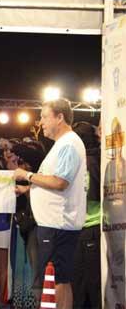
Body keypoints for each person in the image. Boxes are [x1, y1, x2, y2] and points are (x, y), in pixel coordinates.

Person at [13, 98, 86, 309]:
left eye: (45, 117)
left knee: (58, 279)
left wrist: (27, 175)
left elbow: (60, 182)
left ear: (60, 117)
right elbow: (52, 181)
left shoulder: (69, 144)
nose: (41, 122)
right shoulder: (62, 145)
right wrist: (28, 189)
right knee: (59, 278)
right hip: (54, 223)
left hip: (59, 224)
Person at [71, 121, 101, 309]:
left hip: (89, 227)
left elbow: (90, 193)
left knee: (86, 284)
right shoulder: (93, 159)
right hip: (87, 228)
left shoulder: (89, 163)